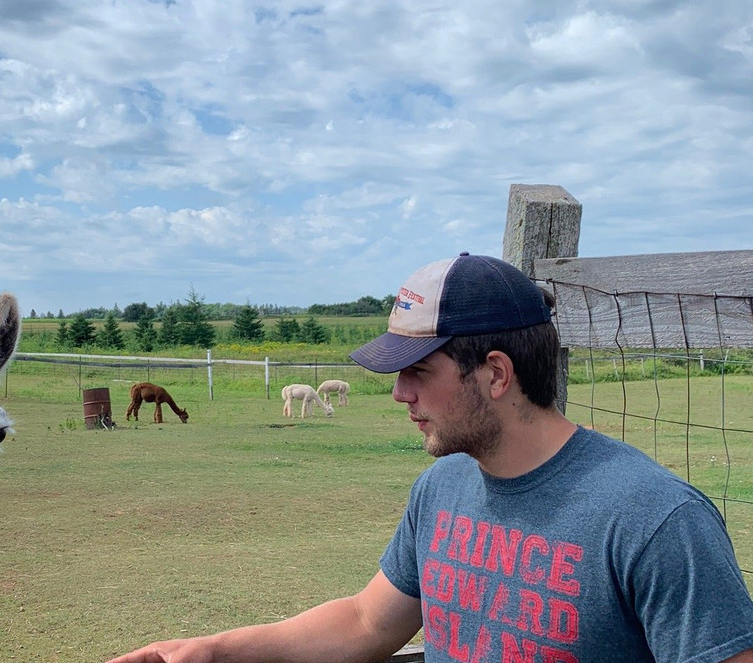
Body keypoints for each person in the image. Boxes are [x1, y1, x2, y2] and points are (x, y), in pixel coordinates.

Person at [107, 253, 753, 663]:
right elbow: (367, 622)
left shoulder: (657, 520)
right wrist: (211, 651)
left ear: (495, 374)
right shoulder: (443, 487)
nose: (398, 393)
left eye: (418, 370)